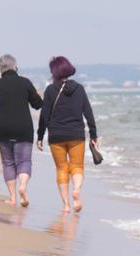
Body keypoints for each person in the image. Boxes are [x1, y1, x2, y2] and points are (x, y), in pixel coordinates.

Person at [0, 54, 43, 207]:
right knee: (24, 161)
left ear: (0, 69)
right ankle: (23, 187)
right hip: (23, 128)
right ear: (15, 67)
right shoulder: (25, 83)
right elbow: (37, 104)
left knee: (8, 162)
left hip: (2, 128)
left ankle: (12, 198)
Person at [36, 56, 99, 213]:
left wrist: (39, 136)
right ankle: (76, 190)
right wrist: (93, 135)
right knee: (77, 166)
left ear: (54, 71)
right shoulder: (79, 88)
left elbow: (44, 115)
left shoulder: (50, 90)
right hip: (76, 135)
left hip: (56, 136)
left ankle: (65, 205)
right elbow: (88, 113)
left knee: (61, 168)